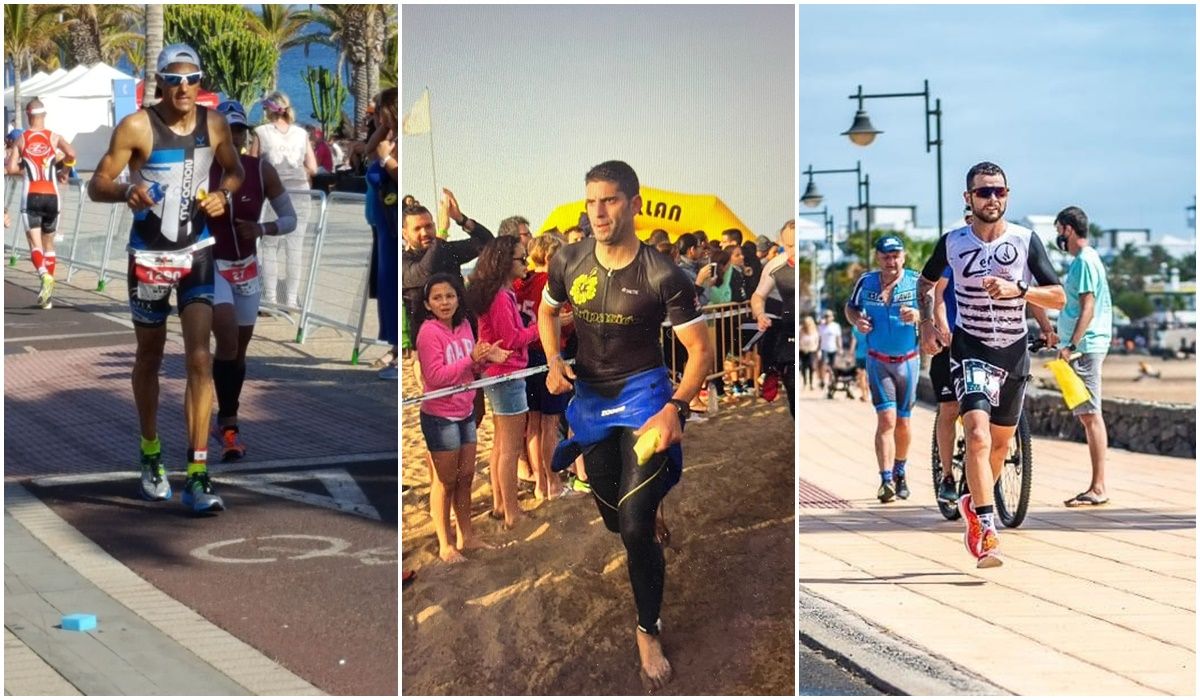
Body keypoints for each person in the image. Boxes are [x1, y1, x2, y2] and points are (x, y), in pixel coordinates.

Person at [539, 161, 712, 690]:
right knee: (616, 522)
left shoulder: (664, 274)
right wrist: (552, 360)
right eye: (591, 201)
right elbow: (546, 314)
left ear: (633, 204)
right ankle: (647, 504)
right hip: (591, 400)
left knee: (635, 527)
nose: (598, 212)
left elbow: (701, 351)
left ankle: (647, 627)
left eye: (610, 201)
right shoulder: (566, 260)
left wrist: (675, 408)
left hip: (644, 397)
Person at [87, 43, 244, 512]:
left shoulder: (214, 124)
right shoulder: (137, 125)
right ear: (159, 82)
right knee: (150, 357)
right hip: (150, 257)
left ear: (201, 83)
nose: (184, 88)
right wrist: (125, 191)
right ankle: (151, 453)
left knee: (200, 357)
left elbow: (234, 169)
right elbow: (97, 183)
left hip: (196, 252)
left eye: (192, 78)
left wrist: (223, 195)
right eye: (174, 79)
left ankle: (198, 473)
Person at [917, 161, 1064, 567]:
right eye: (984, 192)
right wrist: (928, 323)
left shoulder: (1025, 240)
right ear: (969, 198)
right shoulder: (952, 242)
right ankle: (985, 529)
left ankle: (971, 501)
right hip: (972, 348)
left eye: (999, 191)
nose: (993, 198)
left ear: (1008, 195)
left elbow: (1058, 296)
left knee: (1000, 444)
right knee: (978, 437)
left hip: (1014, 351)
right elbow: (925, 283)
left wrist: (1018, 290)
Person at [208, 100, 296, 460]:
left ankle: (226, 413)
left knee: (237, 352)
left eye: (240, 131)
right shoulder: (202, 170)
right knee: (226, 334)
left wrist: (262, 228)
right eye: (227, 131)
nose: (235, 137)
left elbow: (289, 218)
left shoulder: (260, 170)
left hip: (246, 266)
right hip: (210, 264)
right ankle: (230, 426)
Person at [416, 273, 511, 562]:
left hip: (465, 410)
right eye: (437, 297)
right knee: (445, 482)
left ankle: (466, 535)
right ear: (427, 303)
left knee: (466, 476)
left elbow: (468, 370)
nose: (445, 302)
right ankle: (445, 543)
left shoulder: (465, 325)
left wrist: (485, 359)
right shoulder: (428, 333)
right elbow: (435, 377)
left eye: (450, 296)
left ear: (459, 298)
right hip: (440, 416)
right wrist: (471, 360)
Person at [467, 235, 541, 530]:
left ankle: (501, 505)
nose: (526, 263)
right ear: (503, 262)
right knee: (509, 448)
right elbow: (511, 340)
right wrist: (541, 327)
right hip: (507, 374)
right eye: (521, 258)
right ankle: (512, 511)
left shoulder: (497, 293)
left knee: (500, 445)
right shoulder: (499, 296)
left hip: (499, 374)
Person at [1046, 206, 1113, 508]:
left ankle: (1098, 487)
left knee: (1090, 415)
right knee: (1088, 415)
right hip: (1084, 345)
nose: (1058, 236)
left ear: (1068, 229)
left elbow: (1087, 306)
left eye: (1059, 229)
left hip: (1085, 347)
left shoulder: (1084, 261)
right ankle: (1096, 485)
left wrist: (1071, 345)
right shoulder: (1087, 259)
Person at [846, 235, 921, 502]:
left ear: (904, 256)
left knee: (903, 420)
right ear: (878, 257)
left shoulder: (916, 281)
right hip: (878, 360)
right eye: (886, 256)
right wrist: (858, 321)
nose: (891, 261)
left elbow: (936, 311)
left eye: (896, 256)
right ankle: (886, 479)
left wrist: (919, 316)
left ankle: (901, 470)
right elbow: (850, 308)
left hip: (909, 361)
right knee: (886, 419)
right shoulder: (866, 283)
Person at [402, 190, 495, 382]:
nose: (425, 233)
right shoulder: (403, 261)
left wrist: (461, 219)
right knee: (439, 403)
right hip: (429, 343)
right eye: (417, 228)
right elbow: (425, 272)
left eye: (429, 226)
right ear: (404, 233)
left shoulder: (446, 250)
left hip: (464, 335)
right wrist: (442, 234)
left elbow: (488, 243)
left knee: (473, 402)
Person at [516, 233, 574, 501]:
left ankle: (540, 483)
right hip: (547, 356)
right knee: (549, 425)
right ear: (551, 257)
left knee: (534, 425)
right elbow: (553, 321)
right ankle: (552, 481)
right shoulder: (550, 284)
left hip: (527, 358)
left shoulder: (520, 282)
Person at [5, 99, 76, 309]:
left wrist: (24, 167)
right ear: (44, 115)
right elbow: (71, 154)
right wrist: (63, 172)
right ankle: (48, 298)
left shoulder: (22, 139)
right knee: (49, 244)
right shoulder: (54, 137)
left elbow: (9, 168)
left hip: (32, 195)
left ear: (28, 116)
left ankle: (44, 276)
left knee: (34, 244)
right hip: (53, 197)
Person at [249, 90, 316, 310]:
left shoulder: (261, 132)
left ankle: (270, 298)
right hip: (301, 194)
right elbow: (313, 167)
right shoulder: (301, 134)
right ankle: (290, 299)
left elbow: (251, 164)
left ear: (269, 109)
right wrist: (298, 171)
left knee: (269, 246)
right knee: (294, 248)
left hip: (274, 195)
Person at [931, 206, 973, 504]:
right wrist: (942, 327)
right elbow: (936, 293)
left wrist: (1046, 327)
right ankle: (947, 475)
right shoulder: (955, 250)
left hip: (984, 342)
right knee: (949, 410)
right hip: (951, 341)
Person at [364, 88, 398, 379]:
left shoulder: (397, 148)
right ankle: (393, 346)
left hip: (393, 222)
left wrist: (387, 160)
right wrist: (384, 127)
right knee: (385, 288)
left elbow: (400, 173)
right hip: (382, 225)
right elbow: (366, 150)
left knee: (391, 286)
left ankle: (399, 353)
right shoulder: (388, 138)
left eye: (382, 109)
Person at [751, 219, 795, 415]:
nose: (793, 250)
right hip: (789, 335)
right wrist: (760, 314)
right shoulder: (775, 265)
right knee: (794, 392)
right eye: (789, 245)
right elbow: (758, 295)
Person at [817, 309, 842, 388]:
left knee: (833, 366)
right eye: (825, 316)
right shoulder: (821, 326)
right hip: (824, 348)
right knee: (824, 365)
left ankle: (831, 381)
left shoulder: (836, 326)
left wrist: (840, 348)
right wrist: (818, 350)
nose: (827, 318)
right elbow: (819, 339)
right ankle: (823, 380)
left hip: (833, 349)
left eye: (828, 316)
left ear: (832, 317)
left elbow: (838, 338)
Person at [798, 315, 819, 390]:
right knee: (804, 367)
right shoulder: (801, 330)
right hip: (802, 350)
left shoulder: (814, 331)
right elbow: (798, 340)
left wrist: (815, 349)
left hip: (811, 350)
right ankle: (804, 383)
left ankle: (811, 383)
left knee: (811, 367)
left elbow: (816, 341)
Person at [849, 323, 868, 401]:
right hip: (870, 354)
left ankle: (864, 395)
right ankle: (868, 394)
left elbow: (853, 342)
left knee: (861, 376)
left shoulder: (855, 327)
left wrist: (851, 354)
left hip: (859, 354)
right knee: (868, 376)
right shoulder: (869, 325)